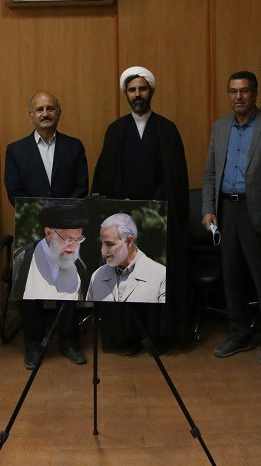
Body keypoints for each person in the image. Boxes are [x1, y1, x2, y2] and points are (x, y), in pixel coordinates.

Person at [91, 66, 188, 348]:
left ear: (151, 92)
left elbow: (175, 176)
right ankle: (127, 337)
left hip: (159, 218)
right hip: (123, 220)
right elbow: (107, 174)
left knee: (154, 276)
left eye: (142, 89)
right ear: (126, 93)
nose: (137, 94)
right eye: (132, 90)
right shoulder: (115, 130)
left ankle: (158, 336)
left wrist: (154, 203)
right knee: (124, 276)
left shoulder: (167, 129)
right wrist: (125, 202)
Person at [202, 71, 261, 367]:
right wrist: (208, 209)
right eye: (233, 91)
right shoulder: (220, 126)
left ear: (255, 93)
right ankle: (239, 334)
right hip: (226, 210)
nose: (238, 97)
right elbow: (210, 172)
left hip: (259, 211)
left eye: (244, 91)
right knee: (232, 277)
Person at [5, 91, 89, 369]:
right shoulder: (16, 150)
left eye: (50, 108)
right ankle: (33, 345)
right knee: (32, 289)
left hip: (66, 231)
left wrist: (60, 218)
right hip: (32, 229)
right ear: (31, 115)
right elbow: (14, 191)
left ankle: (69, 342)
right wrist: (42, 216)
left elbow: (81, 187)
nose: (45, 113)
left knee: (68, 285)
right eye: (39, 109)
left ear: (58, 113)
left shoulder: (74, 147)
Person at [87, 213, 166, 303]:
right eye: (102, 244)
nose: (103, 251)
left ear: (129, 241)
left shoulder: (161, 275)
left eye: (109, 244)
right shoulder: (97, 276)